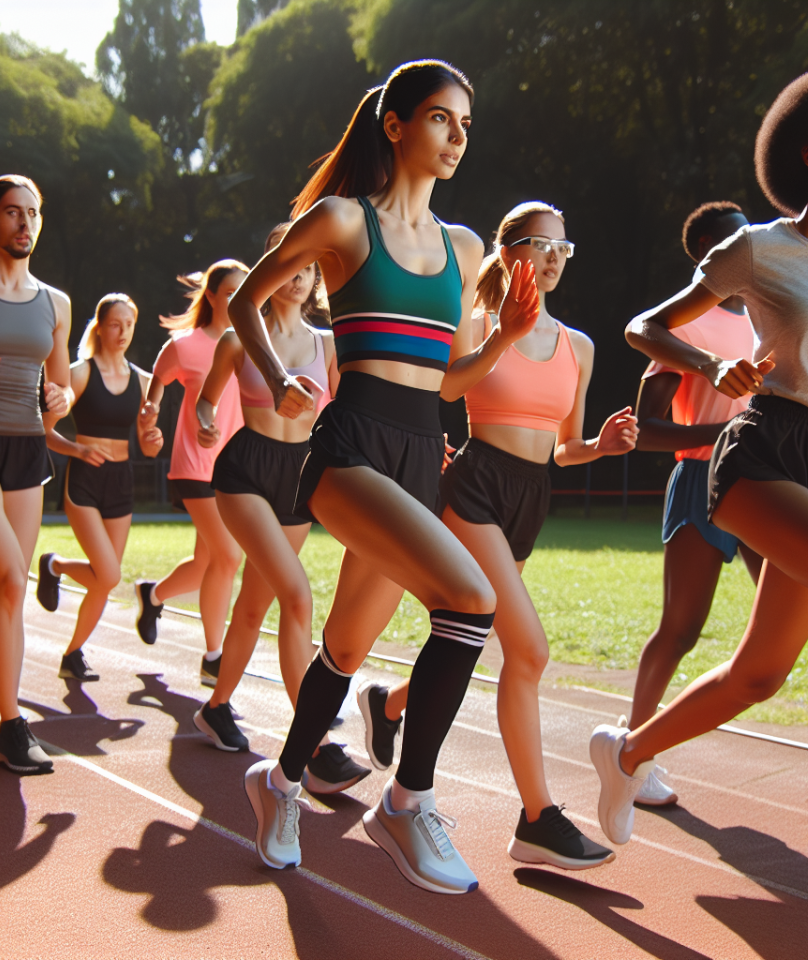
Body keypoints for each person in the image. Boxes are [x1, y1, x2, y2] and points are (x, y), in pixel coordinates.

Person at [593, 61, 808, 931]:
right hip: (764, 452)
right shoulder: (759, 247)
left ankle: (626, 752)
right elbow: (646, 327)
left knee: (760, 671)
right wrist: (716, 366)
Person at [228, 60, 538, 894]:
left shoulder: (465, 248)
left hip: (417, 452)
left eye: (466, 126)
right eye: (441, 119)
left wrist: (503, 339)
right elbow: (243, 303)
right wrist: (279, 374)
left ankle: (278, 784)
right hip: (350, 449)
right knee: (471, 600)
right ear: (396, 125)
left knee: (346, 646)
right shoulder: (341, 221)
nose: (456, 138)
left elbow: (442, 382)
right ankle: (409, 799)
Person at [358, 201, 636, 871]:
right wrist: (505, 337)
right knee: (530, 652)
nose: (553, 257)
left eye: (563, 249)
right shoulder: (476, 323)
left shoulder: (580, 347)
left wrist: (597, 447)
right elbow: (447, 389)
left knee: (475, 639)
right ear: (509, 249)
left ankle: (387, 703)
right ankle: (537, 819)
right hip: (477, 485)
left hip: (530, 497)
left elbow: (563, 447)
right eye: (540, 244)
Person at [629, 204, 808, 812]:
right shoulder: (692, 324)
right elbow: (644, 428)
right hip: (704, 480)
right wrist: (727, 430)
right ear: (713, 249)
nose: (752, 235)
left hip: (783, 478)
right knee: (682, 627)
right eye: (737, 230)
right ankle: (635, 752)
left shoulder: (773, 311)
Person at [192, 223, 369, 793]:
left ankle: (217, 706)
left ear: (318, 276)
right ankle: (314, 747)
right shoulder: (238, 340)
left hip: (298, 481)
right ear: (269, 266)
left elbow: (348, 414)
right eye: (286, 264)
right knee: (297, 596)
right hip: (244, 473)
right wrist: (203, 422)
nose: (296, 277)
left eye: (307, 267)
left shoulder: (327, 345)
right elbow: (204, 405)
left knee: (254, 602)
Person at [0, 174, 73, 774]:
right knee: (13, 577)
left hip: (25, 450)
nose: (25, 223)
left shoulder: (56, 303)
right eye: (13, 213)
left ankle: (8, 726)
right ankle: (14, 723)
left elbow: (59, 383)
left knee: (7, 593)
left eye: (33, 213)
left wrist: (60, 399)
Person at [135, 261, 247, 685]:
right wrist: (150, 417)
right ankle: (214, 656)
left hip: (237, 467)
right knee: (227, 556)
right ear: (213, 296)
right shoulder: (186, 345)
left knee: (207, 561)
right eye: (231, 291)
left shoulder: (251, 345)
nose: (238, 299)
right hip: (194, 464)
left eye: (245, 291)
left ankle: (154, 594)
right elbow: (157, 385)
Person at [35, 294, 150, 682]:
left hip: (121, 481)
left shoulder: (143, 380)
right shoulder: (81, 373)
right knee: (110, 574)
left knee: (105, 578)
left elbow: (148, 442)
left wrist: (155, 441)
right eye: (115, 324)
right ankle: (55, 566)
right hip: (84, 480)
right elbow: (45, 430)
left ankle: (73, 652)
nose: (122, 332)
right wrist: (77, 449)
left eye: (129, 324)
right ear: (100, 327)